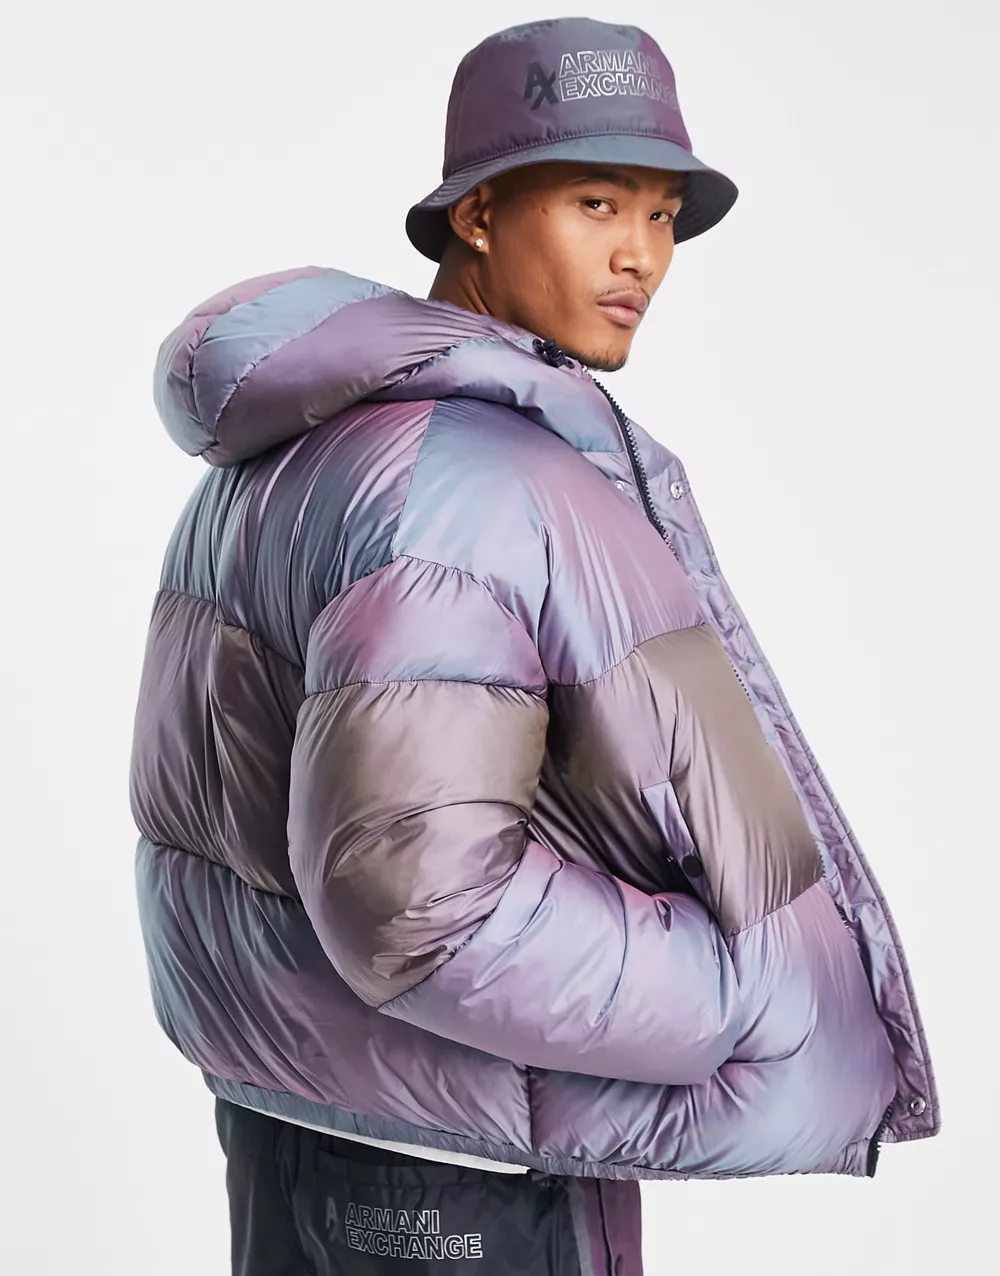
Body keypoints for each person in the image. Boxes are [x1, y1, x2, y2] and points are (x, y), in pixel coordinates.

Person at [130, 15, 940, 1276]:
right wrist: (736, 988)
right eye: (596, 202)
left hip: (311, 1114)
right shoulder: (460, 481)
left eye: (661, 215)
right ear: (478, 215)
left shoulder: (298, 448)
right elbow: (419, 905)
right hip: (462, 1174)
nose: (640, 256)